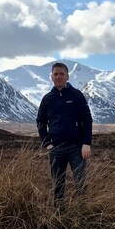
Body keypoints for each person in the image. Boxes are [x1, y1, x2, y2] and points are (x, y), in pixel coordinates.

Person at [36, 62, 93, 206]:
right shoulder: (47, 99)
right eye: (55, 74)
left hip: (76, 147)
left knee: (80, 183)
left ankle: (84, 213)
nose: (58, 77)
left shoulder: (77, 96)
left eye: (61, 74)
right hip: (56, 149)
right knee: (58, 185)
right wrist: (47, 143)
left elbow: (87, 119)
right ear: (51, 77)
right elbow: (40, 121)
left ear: (67, 76)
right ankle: (59, 215)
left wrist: (86, 143)